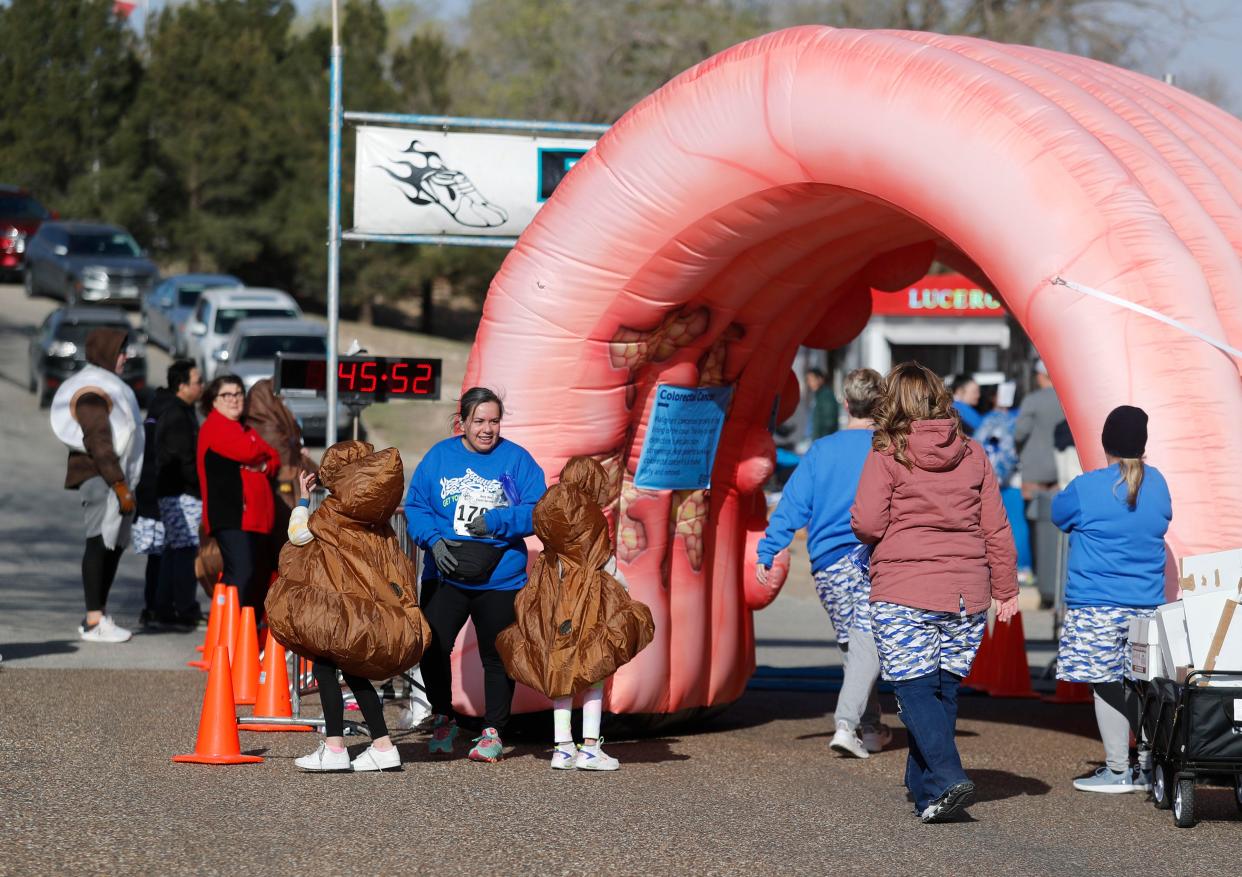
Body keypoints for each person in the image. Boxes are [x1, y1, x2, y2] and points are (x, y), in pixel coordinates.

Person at [851, 362, 1019, 824]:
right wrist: (1006, 588)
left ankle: (946, 775)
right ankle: (927, 791)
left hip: (904, 588)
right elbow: (996, 528)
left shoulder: (887, 453)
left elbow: (866, 522)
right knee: (941, 691)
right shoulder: (972, 452)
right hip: (967, 592)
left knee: (914, 690)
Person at [404, 387, 546, 762]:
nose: (487, 429)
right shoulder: (438, 457)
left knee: (497, 655)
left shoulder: (517, 460)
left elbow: (539, 510)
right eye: (479, 421)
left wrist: (499, 520)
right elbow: (416, 505)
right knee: (431, 647)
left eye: (494, 421)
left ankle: (493, 732)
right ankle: (444, 717)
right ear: (462, 422)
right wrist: (432, 541)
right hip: (446, 573)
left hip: (500, 578)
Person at [756, 367, 890, 758]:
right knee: (869, 647)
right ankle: (852, 726)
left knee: (857, 648)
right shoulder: (888, 448)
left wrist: (770, 549)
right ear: (880, 404)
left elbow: (793, 504)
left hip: (828, 562)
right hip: (873, 558)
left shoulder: (822, 450)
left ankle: (869, 727)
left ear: (845, 403)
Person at [271, 448, 430, 773]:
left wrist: (303, 501)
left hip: (338, 613)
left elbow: (298, 535)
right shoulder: (378, 520)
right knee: (356, 676)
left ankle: (334, 747)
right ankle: (383, 746)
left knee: (326, 671)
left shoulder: (334, 512)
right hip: (368, 615)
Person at [496, 456, 654, 771]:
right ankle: (591, 747)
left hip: (555, 600)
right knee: (595, 673)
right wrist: (624, 587)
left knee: (563, 670)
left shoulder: (550, 512)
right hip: (590, 601)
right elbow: (603, 562)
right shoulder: (592, 517)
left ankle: (562, 747)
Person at [1052, 406, 1170, 793]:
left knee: (1104, 683)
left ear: (1105, 443)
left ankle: (1119, 769)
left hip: (1096, 605)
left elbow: (1058, 514)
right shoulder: (1158, 485)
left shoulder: (1087, 487)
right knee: (1138, 683)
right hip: (1146, 604)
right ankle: (1150, 762)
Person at [50, 327, 143, 643]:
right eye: (120, 350)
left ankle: (98, 614)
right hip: (102, 477)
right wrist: (118, 484)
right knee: (99, 542)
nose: (125, 357)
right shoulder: (92, 390)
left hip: (112, 478)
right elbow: (99, 441)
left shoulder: (105, 384)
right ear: (104, 352)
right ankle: (93, 620)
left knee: (112, 545)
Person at [196, 374, 280, 610]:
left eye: (238, 393)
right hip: (231, 514)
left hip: (256, 518)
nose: (234, 399)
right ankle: (227, 631)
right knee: (241, 572)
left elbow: (273, 457)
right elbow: (249, 452)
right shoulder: (215, 427)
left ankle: (247, 634)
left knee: (257, 576)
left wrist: (262, 463)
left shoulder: (245, 429)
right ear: (214, 401)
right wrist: (259, 456)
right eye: (227, 395)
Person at [154, 359, 205, 627]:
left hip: (179, 492)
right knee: (183, 551)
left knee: (176, 551)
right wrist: (200, 486)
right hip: (179, 494)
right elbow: (182, 459)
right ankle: (183, 608)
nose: (202, 386)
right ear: (182, 386)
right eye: (198, 381)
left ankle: (166, 607)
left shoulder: (183, 411)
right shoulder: (175, 415)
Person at [1014, 359, 1066, 605]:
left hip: (1034, 471)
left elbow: (1019, 432)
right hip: (1059, 470)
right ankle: (1054, 580)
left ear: (1039, 375)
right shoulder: (1065, 399)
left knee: (1033, 527)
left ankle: (1035, 576)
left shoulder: (1033, 401)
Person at [974, 381, 1034, 582]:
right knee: (1017, 524)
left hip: (989, 479)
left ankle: (994, 567)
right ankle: (1022, 568)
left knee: (991, 525)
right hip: (1014, 478)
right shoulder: (1018, 418)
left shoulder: (987, 420)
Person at [134, 380, 176, 628]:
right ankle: (160, 607)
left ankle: (151, 606)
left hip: (147, 505)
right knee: (165, 558)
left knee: (155, 559)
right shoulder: (163, 430)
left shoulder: (145, 428)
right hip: (161, 503)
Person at [806, 367, 839, 440]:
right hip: (816, 440)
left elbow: (829, 423)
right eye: (808, 380)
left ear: (820, 379)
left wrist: (822, 442)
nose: (810, 383)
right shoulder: (818, 396)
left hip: (823, 441)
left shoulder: (826, 396)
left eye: (812, 380)